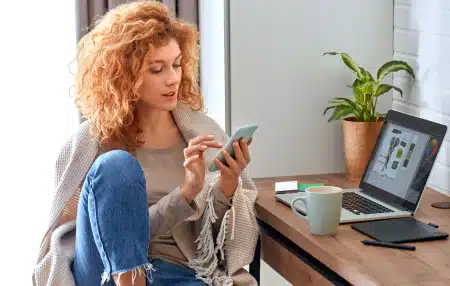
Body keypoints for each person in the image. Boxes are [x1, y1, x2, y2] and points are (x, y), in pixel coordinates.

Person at [32, 1, 259, 286]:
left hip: (178, 270)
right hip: (102, 272)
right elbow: (105, 233)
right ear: (123, 75)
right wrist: (183, 195)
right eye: (156, 69)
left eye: (177, 65)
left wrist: (226, 183)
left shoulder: (203, 133)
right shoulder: (91, 141)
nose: (173, 78)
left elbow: (213, 247)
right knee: (117, 166)